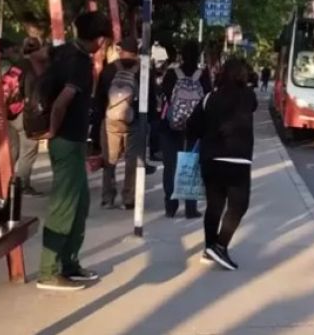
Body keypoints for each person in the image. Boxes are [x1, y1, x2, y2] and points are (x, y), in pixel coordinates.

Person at [37, 11, 112, 292]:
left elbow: (37, 60)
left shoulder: (63, 52)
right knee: (65, 204)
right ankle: (49, 271)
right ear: (100, 39)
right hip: (67, 140)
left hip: (73, 141)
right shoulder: (79, 63)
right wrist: (53, 130)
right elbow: (61, 103)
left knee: (80, 203)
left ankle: (69, 263)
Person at [186, 57, 257, 271]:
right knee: (238, 206)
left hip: (211, 160)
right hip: (238, 160)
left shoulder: (209, 98)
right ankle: (220, 246)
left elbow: (192, 127)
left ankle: (209, 249)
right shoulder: (248, 96)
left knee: (214, 206)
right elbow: (253, 107)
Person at [93, 36, 156, 210]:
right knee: (132, 161)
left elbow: (99, 99)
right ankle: (128, 198)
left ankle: (108, 197)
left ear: (121, 51)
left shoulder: (109, 70)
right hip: (134, 121)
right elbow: (151, 99)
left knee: (109, 161)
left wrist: (98, 123)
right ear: (136, 52)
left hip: (110, 121)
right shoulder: (144, 71)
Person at [159, 40, 212, 219]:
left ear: (181, 55)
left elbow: (164, 96)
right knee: (192, 165)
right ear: (198, 56)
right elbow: (208, 99)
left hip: (171, 126)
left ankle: (170, 206)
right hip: (195, 128)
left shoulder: (171, 74)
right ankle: (190, 208)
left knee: (170, 165)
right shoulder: (203, 75)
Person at [2, 38, 42, 195]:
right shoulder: (33, 67)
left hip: (9, 112)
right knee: (29, 148)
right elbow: (31, 94)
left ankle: (5, 179)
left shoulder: (15, 66)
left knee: (13, 148)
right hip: (24, 114)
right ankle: (23, 183)